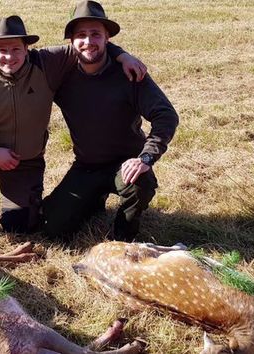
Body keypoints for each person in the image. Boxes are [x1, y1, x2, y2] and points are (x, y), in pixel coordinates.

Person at [0, 15, 145, 241]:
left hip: (24, 163)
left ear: (27, 49)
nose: (9, 56)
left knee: (19, 228)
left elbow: (88, 45)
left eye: (16, 49)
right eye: (2, 50)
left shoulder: (46, 64)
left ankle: (81, 202)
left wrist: (123, 55)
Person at [41, 0, 179, 241]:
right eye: (81, 35)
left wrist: (145, 158)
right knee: (52, 226)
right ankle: (93, 200)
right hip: (86, 165)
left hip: (126, 163)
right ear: (71, 41)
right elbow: (19, 57)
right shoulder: (61, 73)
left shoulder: (130, 73)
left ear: (107, 38)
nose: (88, 41)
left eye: (96, 34)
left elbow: (166, 115)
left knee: (139, 183)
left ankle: (124, 235)